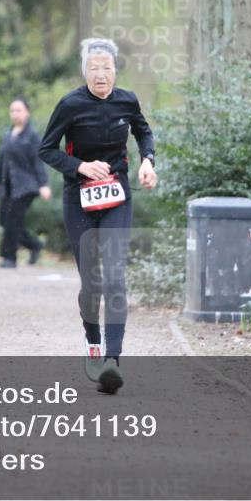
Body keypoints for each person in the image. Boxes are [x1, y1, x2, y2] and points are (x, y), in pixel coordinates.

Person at [39, 37, 157, 394]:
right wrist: (80, 166)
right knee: (92, 281)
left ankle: (113, 360)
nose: (101, 74)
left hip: (117, 195)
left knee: (116, 275)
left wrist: (148, 161)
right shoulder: (70, 104)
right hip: (79, 199)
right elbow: (46, 149)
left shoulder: (127, 100)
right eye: (94, 68)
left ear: (115, 71)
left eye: (107, 68)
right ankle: (93, 345)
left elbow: (143, 131)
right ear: (85, 72)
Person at [0, 98, 52, 268]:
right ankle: (34, 245)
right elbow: (2, 159)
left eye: (19, 110)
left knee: (13, 220)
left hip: (26, 186)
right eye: (13, 110)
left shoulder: (31, 135)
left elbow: (37, 161)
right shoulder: (8, 133)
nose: (15, 114)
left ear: (27, 112)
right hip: (8, 185)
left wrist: (43, 184)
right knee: (4, 220)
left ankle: (9, 258)